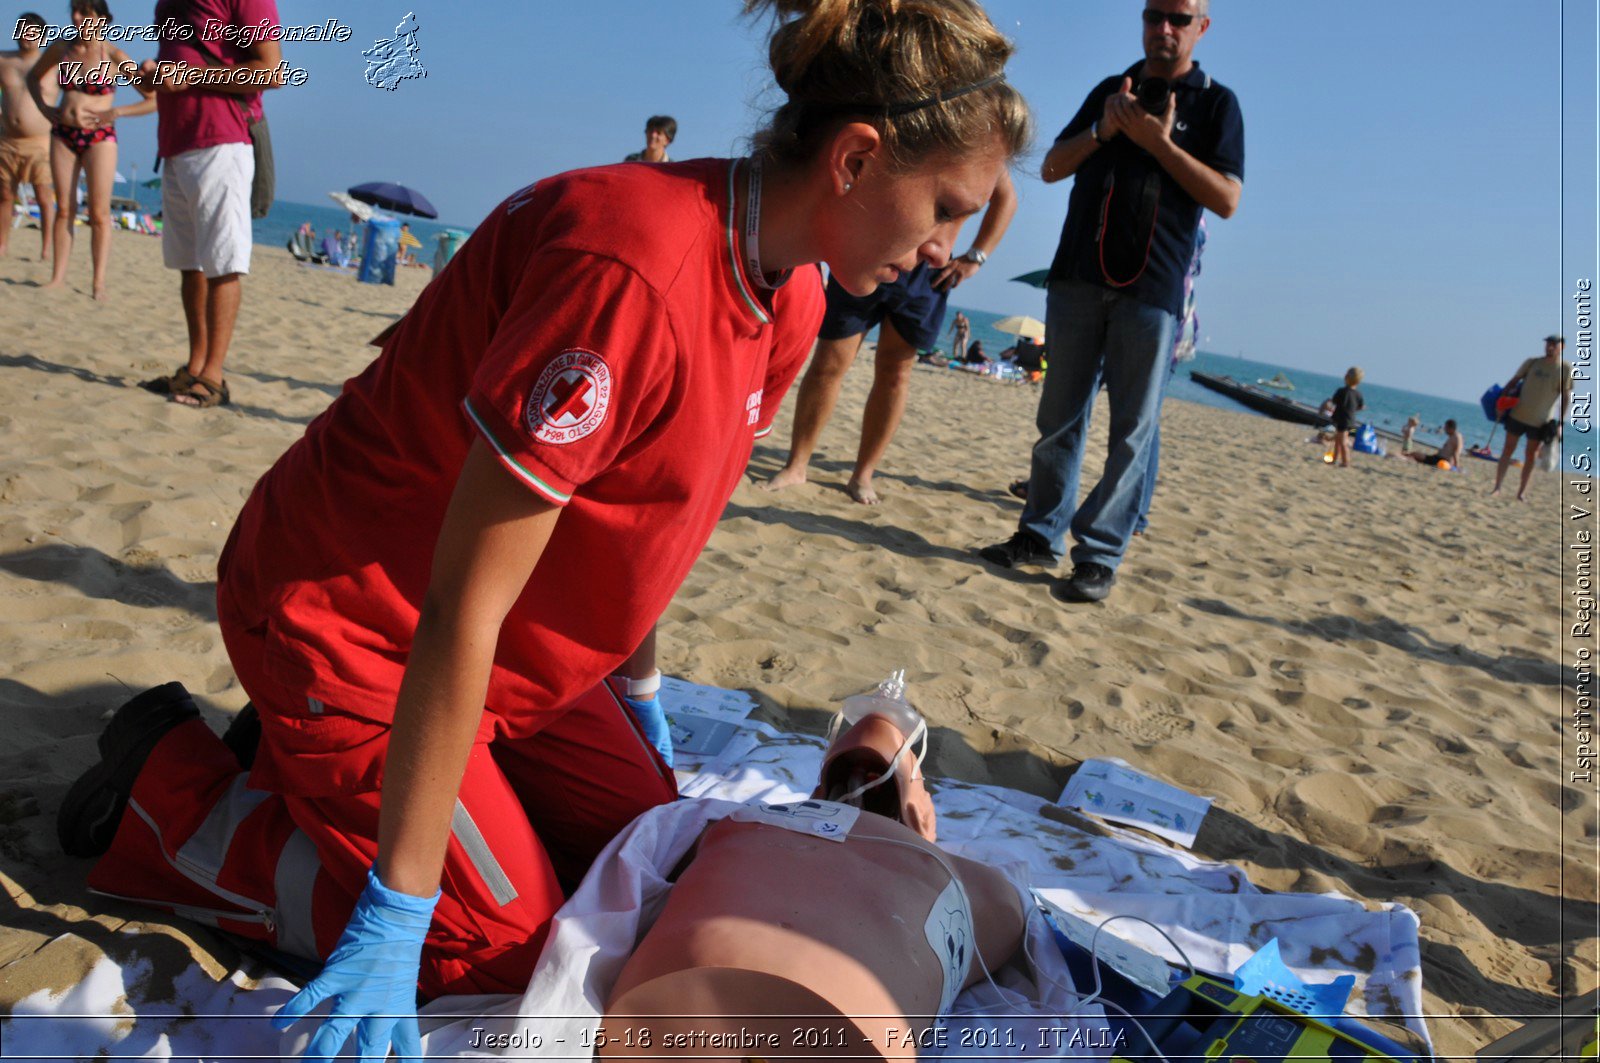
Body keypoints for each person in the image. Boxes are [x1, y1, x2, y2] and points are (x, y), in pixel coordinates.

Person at [56, 1, 1029, 1059]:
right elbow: (455, 606)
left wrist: (641, 695)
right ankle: (175, 794)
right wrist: (395, 909)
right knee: (499, 951)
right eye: (945, 209)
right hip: (355, 626)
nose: (942, 252)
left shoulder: (788, 293)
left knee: (644, 864)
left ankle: (311, 772)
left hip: (509, 653)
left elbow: (651, 517)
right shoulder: (632, 274)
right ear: (854, 158)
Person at [978, 0, 1243, 603]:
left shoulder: (1217, 105)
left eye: (1179, 18)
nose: (1164, 29)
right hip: (1076, 276)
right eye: (1154, 16)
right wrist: (1105, 129)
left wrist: (1160, 143)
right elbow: (1049, 167)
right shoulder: (1111, 90)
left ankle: (1098, 556)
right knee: (1058, 420)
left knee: (1132, 432)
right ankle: (1037, 535)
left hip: (1153, 288)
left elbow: (1227, 199)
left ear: (1202, 27)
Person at [601, 711, 1024, 1060]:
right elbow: (1000, 934)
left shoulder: (734, 822)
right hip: (850, 1019)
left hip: (664, 995)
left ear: (819, 790)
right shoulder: (976, 885)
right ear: (921, 811)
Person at [761, 169, 1016, 504]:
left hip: (929, 271)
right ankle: (797, 464)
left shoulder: (985, 140)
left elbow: (1005, 195)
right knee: (829, 362)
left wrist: (977, 256)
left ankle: (863, 474)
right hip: (872, 246)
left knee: (896, 372)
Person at [131, 0, 287, 409]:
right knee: (191, 263)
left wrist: (189, 77)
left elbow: (271, 71)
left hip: (223, 139)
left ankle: (213, 376)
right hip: (177, 142)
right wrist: (150, 77)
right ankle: (195, 366)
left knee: (222, 262)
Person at [25, 1, 155, 300]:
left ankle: (98, 283)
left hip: (100, 138)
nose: (75, 17)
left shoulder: (113, 55)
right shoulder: (61, 49)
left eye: (84, 11)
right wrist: (45, 109)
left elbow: (153, 100)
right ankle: (57, 278)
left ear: (101, 18)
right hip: (63, 135)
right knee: (64, 210)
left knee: (98, 214)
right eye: (74, 10)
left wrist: (118, 112)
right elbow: (33, 78)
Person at [0, 13, 59, 261]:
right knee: (4, 195)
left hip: (41, 141)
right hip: (6, 139)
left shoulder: (53, 65)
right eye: (23, 30)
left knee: (44, 196)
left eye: (32, 31)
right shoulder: (4, 60)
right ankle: (2, 245)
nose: (26, 35)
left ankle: (46, 248)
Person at [1491, 335, 1574, 501]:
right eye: (1548, 344)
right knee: (1507, 450)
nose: (1549, 347)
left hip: (1541, 421)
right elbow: (1513, 382)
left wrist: (1561, 424)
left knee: (1531, 456)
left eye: (1553, 344)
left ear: (1562, 347)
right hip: (1518, 414)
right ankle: (1497, 487)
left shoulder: (1565, 369)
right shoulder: (1532, 363)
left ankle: (1521, 492)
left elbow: (1566, 397)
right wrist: (1500, 404)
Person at [1326, 366, 1364, 468]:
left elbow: (1334, 402)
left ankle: (1345, 461)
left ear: (1346, 377)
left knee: (1342, 442)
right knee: (1338, 440)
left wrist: (1330, 408)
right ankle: (1334, 459)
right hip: (1351, 422)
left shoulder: (1342, 391)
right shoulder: (1358, 394)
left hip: (1342, 420)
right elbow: (1360, 406)